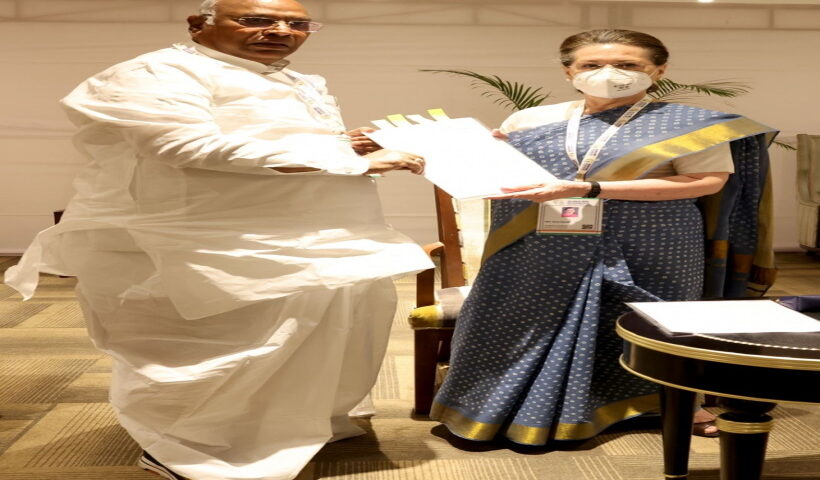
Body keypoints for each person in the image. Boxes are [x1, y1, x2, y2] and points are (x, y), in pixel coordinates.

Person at [4, 0, 433, 478]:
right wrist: (350, 160)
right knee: (224, 345)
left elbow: (273, 139)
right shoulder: (158, 71)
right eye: (256, 19)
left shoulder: (290, 79)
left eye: (297, 23)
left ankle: (287, 425)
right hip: (213, 238)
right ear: (198, 24)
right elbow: (184, 145)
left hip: (315, 234)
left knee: (320, 332)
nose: (280, 31)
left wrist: (343, 144)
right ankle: (187, 448)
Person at [430, 29, 776, 445]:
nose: (608, 73)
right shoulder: (529, 120)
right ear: (569, 72)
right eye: (591, 65)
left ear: (658, 70)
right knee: (523, 319)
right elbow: (504, 176)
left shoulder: (687, 124)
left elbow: (705, 181)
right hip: (544, 239)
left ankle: (672, 403)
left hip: (651, 238)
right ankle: (502, 405)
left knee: (650, 323)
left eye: (628, 65)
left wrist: (591, 189)